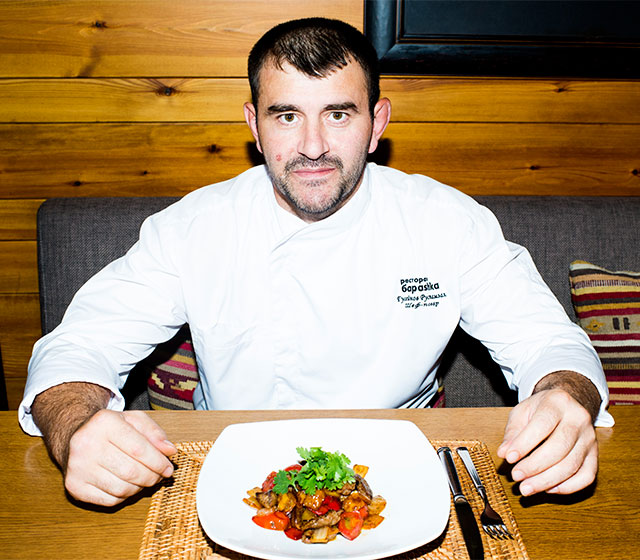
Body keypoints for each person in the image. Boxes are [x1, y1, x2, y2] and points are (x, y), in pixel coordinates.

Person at [20, 18, 613, 508]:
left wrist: (564, 398)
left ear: (377, 124)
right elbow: (80, 345)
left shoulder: (446, 221)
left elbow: (548, 341)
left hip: (399, 466)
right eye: (286, 116)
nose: (311, 147)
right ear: (254, 126)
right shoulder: (192, 227)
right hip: (228, 461)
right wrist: (76, 427)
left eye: (338, 114)